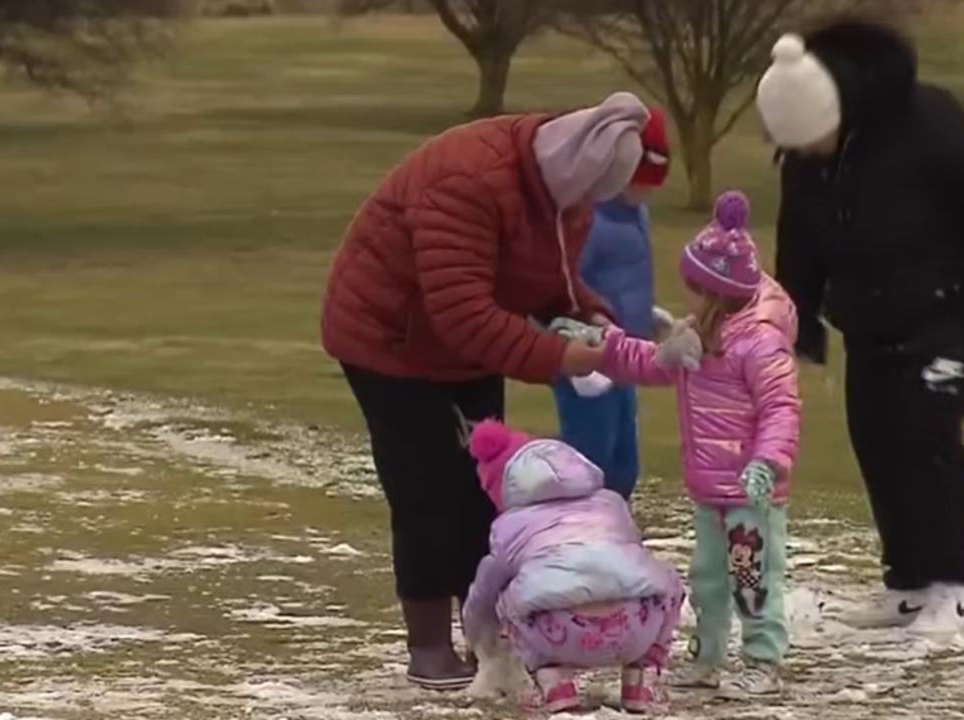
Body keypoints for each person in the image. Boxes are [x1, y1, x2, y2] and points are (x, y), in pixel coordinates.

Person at [320, 92, 654, 689]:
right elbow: (462, 311)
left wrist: (588, 316)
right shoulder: (466, 182)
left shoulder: (565, 195)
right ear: (570, 175)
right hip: (388, 339)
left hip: (464, 345)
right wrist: (563, 357)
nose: (585, 212)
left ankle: (487, 637)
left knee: (486, 489)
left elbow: (550, 276)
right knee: (426, 489)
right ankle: (428, 645)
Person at [755, 19, 964, 637]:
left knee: (925, 436)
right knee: (876, 438)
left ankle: (951, 585)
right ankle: (907, 582)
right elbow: (797, 238)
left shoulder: (930, 124)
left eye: (815, 139)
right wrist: (795, 325)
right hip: (869, 321)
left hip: (953, 316)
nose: (809, 154)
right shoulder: (808, 156)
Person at [561, 191, 802, 697]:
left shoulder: (757, 341)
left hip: (750, 493)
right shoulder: (699, 336)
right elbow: (648, 362)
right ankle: (708, 656)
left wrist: (767, 463)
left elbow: (782, 408)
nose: (684, 294)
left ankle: (763, 659)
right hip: (709, 487)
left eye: (693, 286)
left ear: (715, 291)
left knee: (752, 576)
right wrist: (597, 343)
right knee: (709, 576)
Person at [461, 420, 686, 714]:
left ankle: (552, 680)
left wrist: (475, 632)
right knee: (661, 580)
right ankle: (641, 678)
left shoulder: (508, 526)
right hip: (635, 628)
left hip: (559, 635)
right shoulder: (612, 503)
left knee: (507, 594)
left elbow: (484, 591)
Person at [551, 106, 674, 501]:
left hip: (625, 359)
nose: (647, 192)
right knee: (590, 457)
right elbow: (565, 288)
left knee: (624, 461)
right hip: (587, 364)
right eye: (641, 182)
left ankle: (614, 527)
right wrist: (578, 345)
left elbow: (628, 275)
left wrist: (645, 316)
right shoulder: (587, 220)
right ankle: (575, 529)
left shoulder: (636, 213)